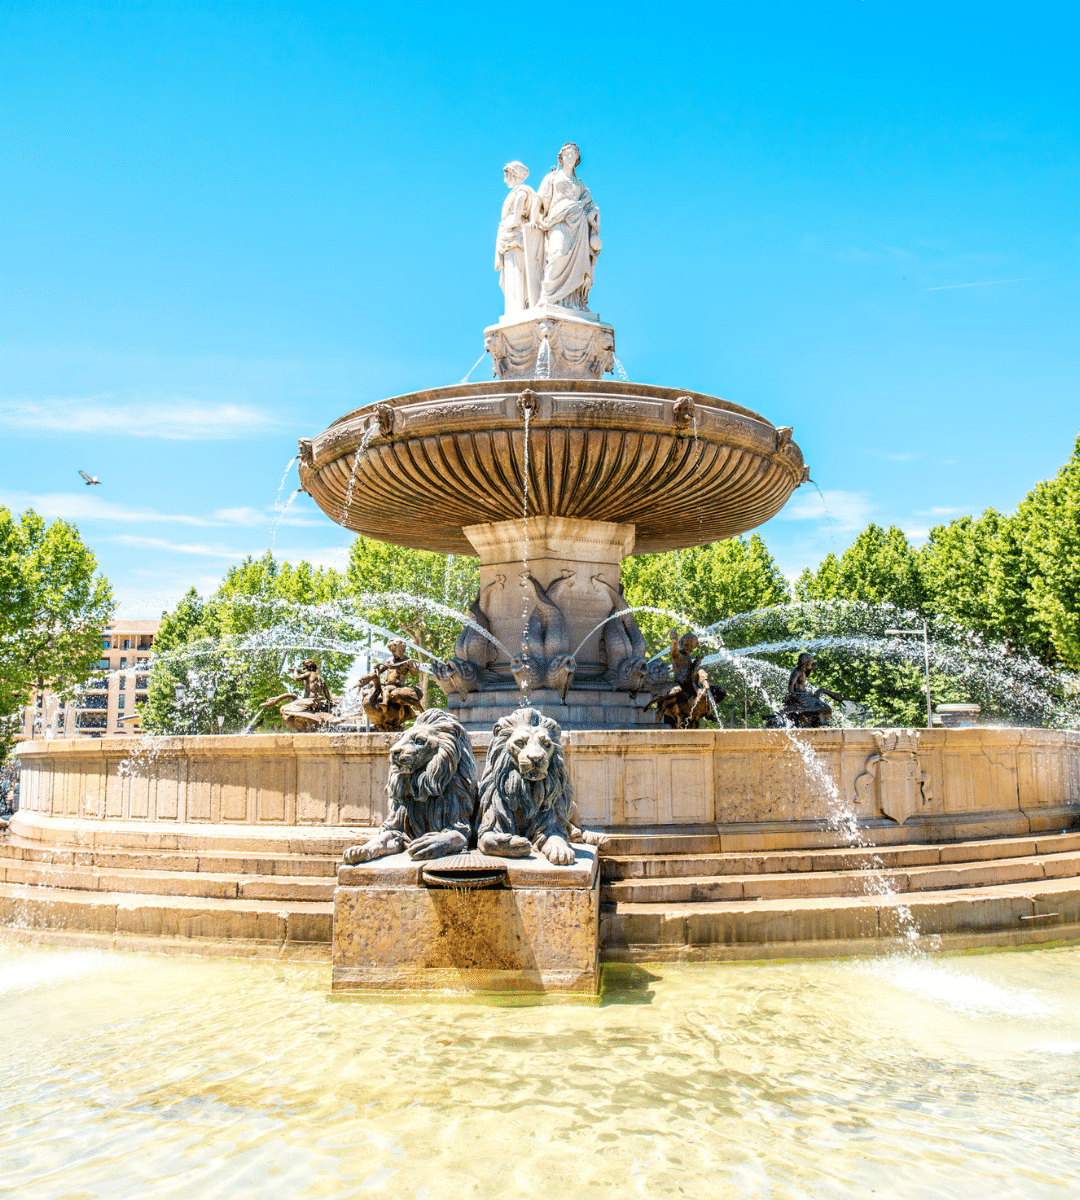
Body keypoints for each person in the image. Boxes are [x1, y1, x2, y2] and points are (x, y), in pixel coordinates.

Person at [533, 142, 601, 310]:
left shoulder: (580, 185)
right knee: (557, 255)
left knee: (578, 265)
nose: (570, 156)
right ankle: (548, 297)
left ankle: (574, 302)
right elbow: (539, 199)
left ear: (577, 159)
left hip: (579, 226)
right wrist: (534, 218)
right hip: (558, 221)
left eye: (573, 154)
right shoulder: (552, 178)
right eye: (567, 154)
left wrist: (593, 214)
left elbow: (591, 207)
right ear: (561, 158)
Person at [495, 161, 541, 314]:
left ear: (514, 174)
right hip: (510, 238)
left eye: (506, 175)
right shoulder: (519, 192)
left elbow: (515, 219)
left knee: (515, 275)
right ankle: (515, 309)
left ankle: (517, 310)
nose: (504, 179)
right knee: (509, 278)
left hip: (515, 238)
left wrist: (504, 227)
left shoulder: (522, 193)